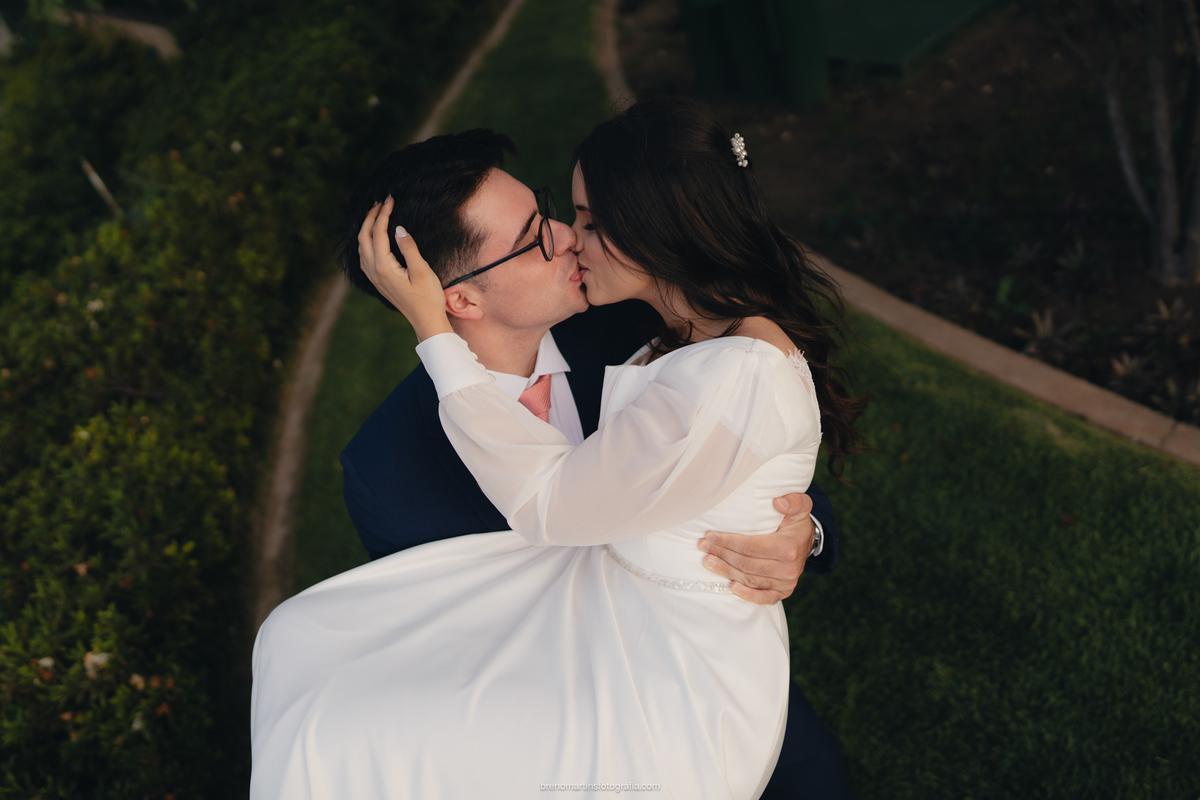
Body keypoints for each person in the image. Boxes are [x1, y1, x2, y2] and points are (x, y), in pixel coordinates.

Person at [251, 98, 863, 798]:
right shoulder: (388, 470)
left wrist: (801, 535)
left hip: (704, 688)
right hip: (568, 737)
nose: (570, 239)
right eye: (536, 236)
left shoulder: (640, 320)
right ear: (458, 301)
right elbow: (446, 637)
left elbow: (762, 454)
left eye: (552, 213)